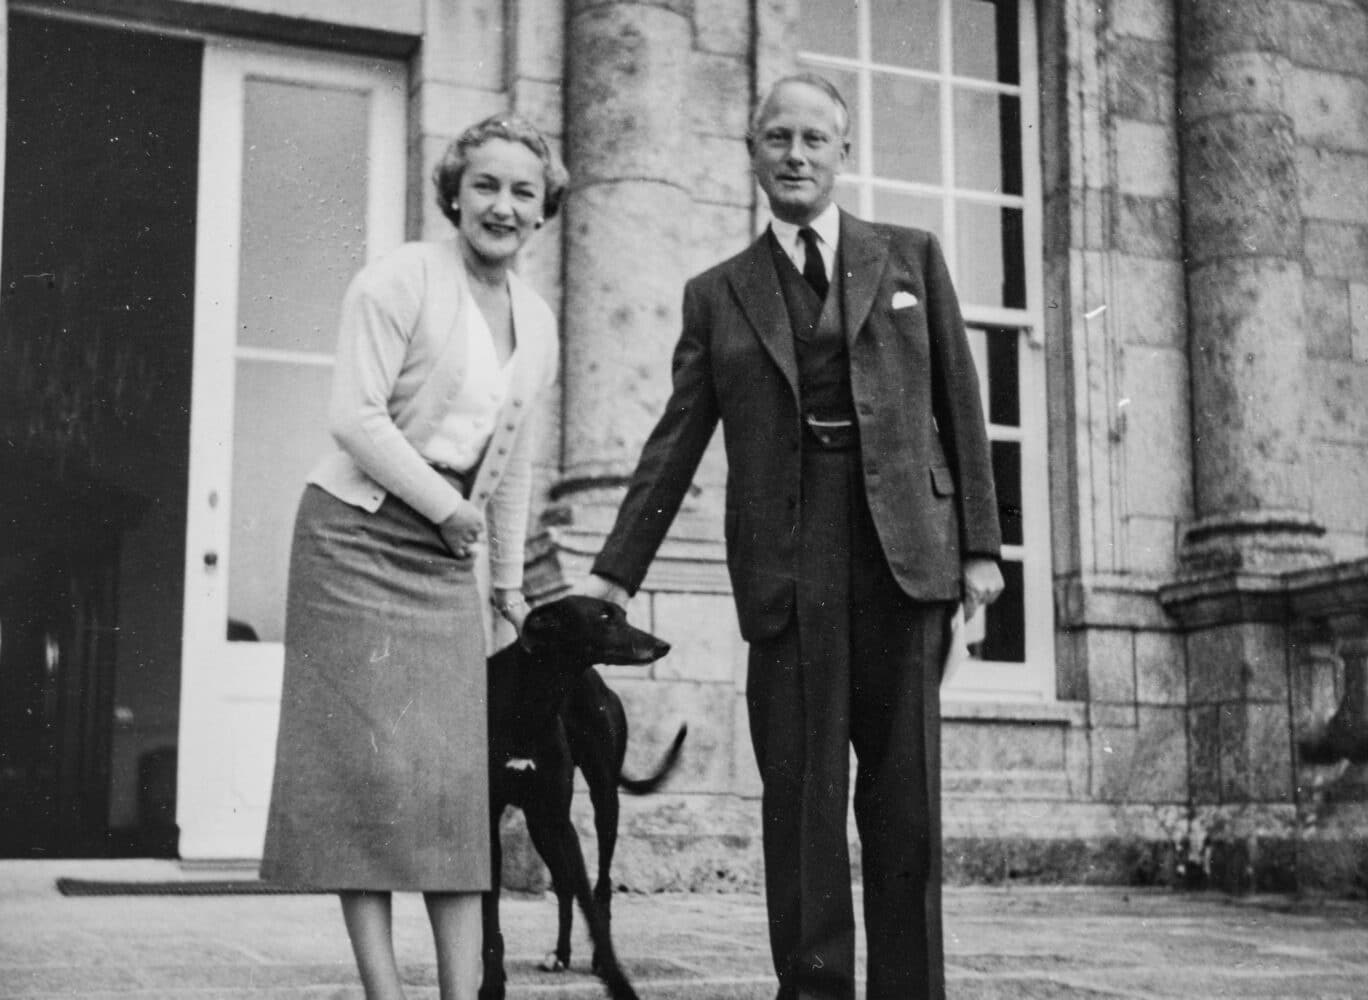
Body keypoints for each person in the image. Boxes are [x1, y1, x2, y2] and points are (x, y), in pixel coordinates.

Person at [579, 73, 1004, 1000]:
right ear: (753, 153)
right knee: (803, 803)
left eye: (815, 139)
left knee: (904, 803)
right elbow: (675, 442)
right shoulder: (718, 294)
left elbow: (959, 407)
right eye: (779, 138)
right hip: (786, 564)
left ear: (843, 153)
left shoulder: (911, 258)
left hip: (904, 557)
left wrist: (980, 546)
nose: (797, 155)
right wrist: (615, 575)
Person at [260, 114, 567, 1000]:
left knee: (445, 788)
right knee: (367, 780)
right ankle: (385, 993)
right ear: (454, 194)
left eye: (522, 192)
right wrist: (444, 508)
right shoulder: (398, 279)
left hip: (442, 558)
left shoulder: (537, 325)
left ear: (543, 210)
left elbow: (509, 466)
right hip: (352, 540)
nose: (502, 207)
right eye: (485, 187)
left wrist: (506, 584)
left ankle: (462, 995)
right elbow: (356, 417)